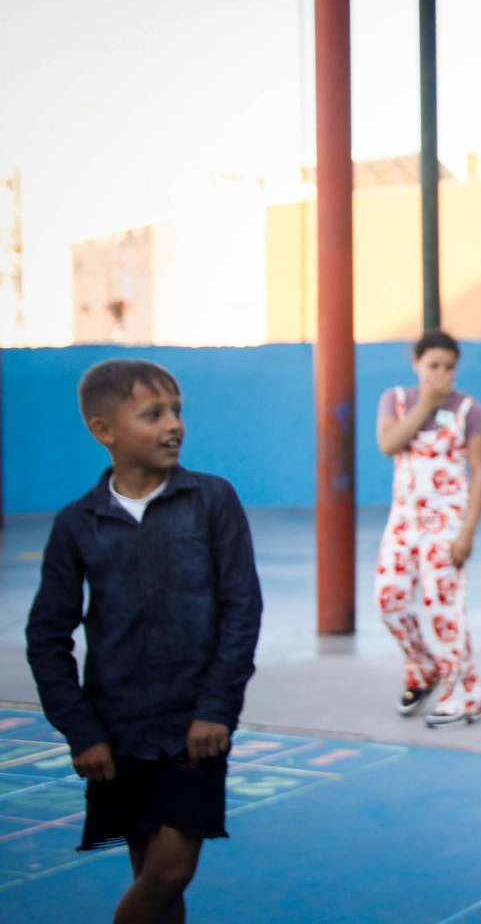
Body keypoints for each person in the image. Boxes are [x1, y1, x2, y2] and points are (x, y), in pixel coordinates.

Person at [25, 359, 263, 924]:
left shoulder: (213, 501)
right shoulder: (77, 524)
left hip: (194, 731)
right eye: (153, 414)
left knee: (170, 871)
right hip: (118, 732)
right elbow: (47, 637)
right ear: (104, 430)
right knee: (154, 881)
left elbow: (242, 611)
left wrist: (216, 709)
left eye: (177, 410)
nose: (173, 424)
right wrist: (82, 731)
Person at [375, 329, 481, 727]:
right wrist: (425, 403)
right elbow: (389, 443)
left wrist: (467, 532)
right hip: (403, 522)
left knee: (443, 607)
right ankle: (423, 668)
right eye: (433, 366)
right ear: (416, 364)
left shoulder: (468, 410)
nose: (441, 374)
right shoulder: (396, 400)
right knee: (388, 600)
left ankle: (465, 694)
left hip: (447, 524)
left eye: (449, 367)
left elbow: (479, 473)